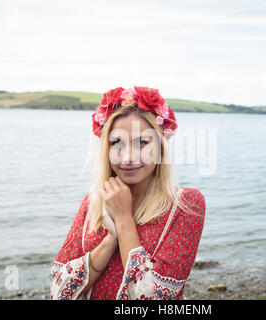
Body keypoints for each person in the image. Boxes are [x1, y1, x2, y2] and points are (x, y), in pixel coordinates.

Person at [49, 86, 206, 300]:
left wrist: (123, 220)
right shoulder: (93, 202)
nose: (128, 157)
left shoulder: (185, 204)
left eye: (142, 143)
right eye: (117, 143)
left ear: (160, 146)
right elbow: (59, 289)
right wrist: (111, 238)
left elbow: (152, 297)